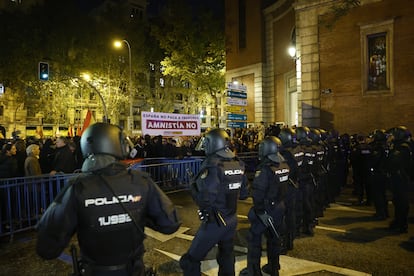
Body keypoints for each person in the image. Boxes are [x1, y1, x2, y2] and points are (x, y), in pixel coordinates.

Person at [36, 123, 181, 275]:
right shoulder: (141, 182)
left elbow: (47, 248)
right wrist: (140, 214)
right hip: (133, 270)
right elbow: (170, 224)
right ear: (120, 145)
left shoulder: (76, 187)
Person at [179, 128, 248, 276]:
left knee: (190, 261)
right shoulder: (237, 162)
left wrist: (193, 187)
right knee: (226, 256)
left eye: (207, 142)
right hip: (231, 219)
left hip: (215, 222)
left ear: (214, 143)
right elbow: (243, 194)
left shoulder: (213, 165)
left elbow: (205, 199)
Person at [240, 136, 290, 276]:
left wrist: (260, 211)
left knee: (254, 241)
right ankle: (273, 268)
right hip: (279, 207)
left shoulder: (265, 168)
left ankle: (253, 271)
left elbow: (258, 192)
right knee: (274, 240)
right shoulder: (284, 164)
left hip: (266, 209)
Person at [385, 126, 412, 233]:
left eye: (392, 135)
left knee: (402, 201)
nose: (390, 136)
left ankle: (402, 224)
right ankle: (398, 221)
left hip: (401, 178)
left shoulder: (403, 147)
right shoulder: (397, 146)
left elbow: (394, 162)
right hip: (397, 177)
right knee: (397, 200)